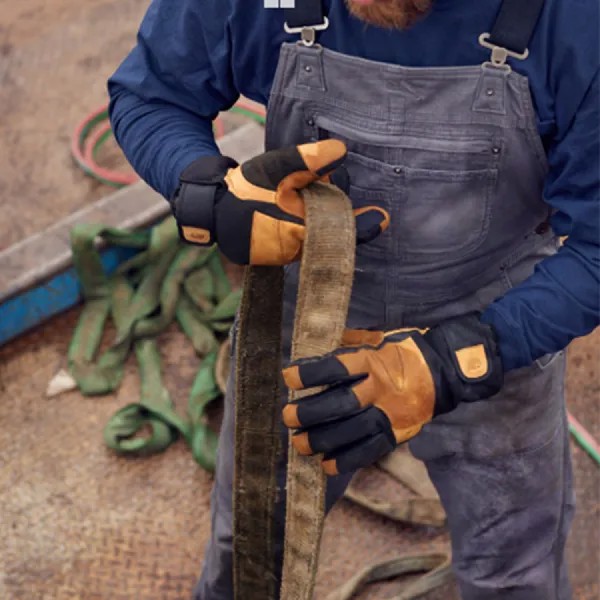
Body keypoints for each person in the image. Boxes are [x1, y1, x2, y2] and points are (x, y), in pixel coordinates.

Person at [108, 1, 599, 598]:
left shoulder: (576, 21)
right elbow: (152, 94)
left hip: (497, 327)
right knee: (254, 551)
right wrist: (208, 194)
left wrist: (461, 359)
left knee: (514, 570)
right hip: (303, 327)